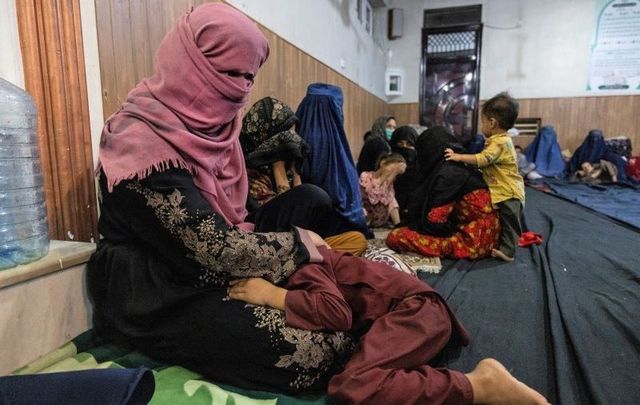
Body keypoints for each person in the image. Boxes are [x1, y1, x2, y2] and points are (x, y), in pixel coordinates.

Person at [88, 4, 354, 394]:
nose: (241, 88)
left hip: (212, 257)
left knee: (311, 199)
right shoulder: (141, 141)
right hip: (158, 284)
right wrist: (298, 246)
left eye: (249, 76)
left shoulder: (221, 133)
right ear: (191, 62)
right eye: (229, 73)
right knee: (311, 348)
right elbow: (213, 248)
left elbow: (238, 217)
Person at [228, 248, 549, 405]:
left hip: (417, 313)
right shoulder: (314, 252)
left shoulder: (302, 266)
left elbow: (336, 313)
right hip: (419, 315)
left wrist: (274, 295)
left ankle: (481, 385)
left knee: (351, 387)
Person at [240, 96, 367, 255]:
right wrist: (278, 166)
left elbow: (304, 213)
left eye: (292, 133)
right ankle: (314, 258)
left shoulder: (289, 168)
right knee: (312, 195)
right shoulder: (247, 173)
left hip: (304, 237)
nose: (292, 140)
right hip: (270, 243)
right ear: (264, 132)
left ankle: (315, 256)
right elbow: (285, 215)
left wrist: (295, 170)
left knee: (356, 240)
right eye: (284, 133)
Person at [386, 127, 501, 259]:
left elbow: (435, 222)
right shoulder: (461, 165)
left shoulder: (448, 175)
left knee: (395, 237)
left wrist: (417, 226)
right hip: (490, 234)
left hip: (473, 241)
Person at [444, 92, 525, 262]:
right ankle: (505, 245)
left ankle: (509, 252)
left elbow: (482, 159)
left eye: (482, 122)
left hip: (509, 192)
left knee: (510, 223)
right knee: (505, 220)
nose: (482, 126)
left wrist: (459, 157)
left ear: (492, 123)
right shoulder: (499, 140)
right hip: (502, 189)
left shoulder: (500, 142)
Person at [296, 83, 370, 237]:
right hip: (331, 228)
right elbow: (339, 195)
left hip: (303, 226)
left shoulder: (298, 133)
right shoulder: (333, 144)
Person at [359, 153, 406, 228]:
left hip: (378, 219)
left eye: (397, 174)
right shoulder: (366, 177)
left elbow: (390, 202)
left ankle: (398, 225)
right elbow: (373, 199)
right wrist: (392, 174)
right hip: (365, 216)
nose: (394, 174)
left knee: (392, 200)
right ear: (383, 163)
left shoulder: (388, 184)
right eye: (394, 168)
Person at [389, 126, 418, 219]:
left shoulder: (421, 167)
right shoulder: (386, 165)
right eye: (400, 144)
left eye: (409, 144)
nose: (405, 148)